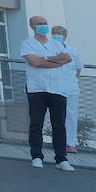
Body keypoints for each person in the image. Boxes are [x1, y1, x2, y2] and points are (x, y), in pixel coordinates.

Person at [21, 15, 74, 171]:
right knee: (36, 123)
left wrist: (46, 59)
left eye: (45, 23)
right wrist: (54, 61)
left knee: (59, 124)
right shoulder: (27, 43)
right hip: (37, 88)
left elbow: (67, 58)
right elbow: (35, 62)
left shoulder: (55, 44)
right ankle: (37, 156)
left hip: (58, 88)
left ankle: (61, 159)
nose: (43, 26)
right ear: (32, 26)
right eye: (39, 24)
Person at [52, 26, 84, 153]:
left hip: (71, 88)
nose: (56, 35)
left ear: (64, 37)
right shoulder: (49, 50)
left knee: (71, 115)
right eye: (54, 33)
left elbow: (78, 70)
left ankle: (71, 143)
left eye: (59, 34)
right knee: (58, 116)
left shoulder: (73, 51)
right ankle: (59, 142)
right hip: (55, 88)